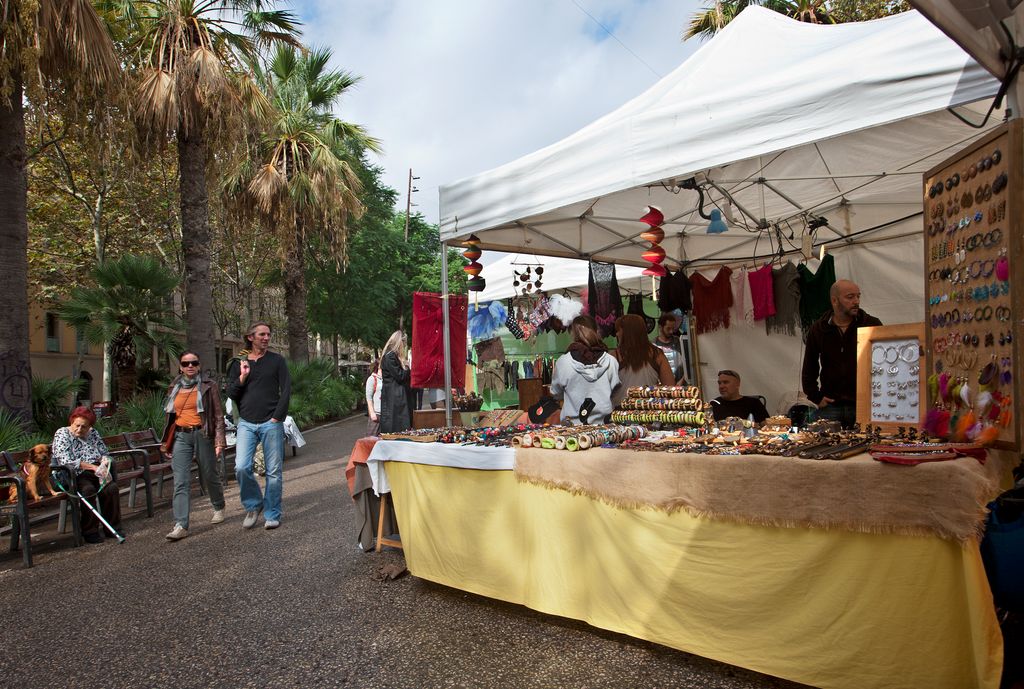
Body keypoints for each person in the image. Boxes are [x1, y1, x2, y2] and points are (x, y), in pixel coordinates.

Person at [226, 321, 291, 530]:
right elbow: (232, 394)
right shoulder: (239, 363)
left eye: (268, 335)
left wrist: (277, 417)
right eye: (262, 334)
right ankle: (253, 505)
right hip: (246, 422)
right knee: (241, 467)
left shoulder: (277, 360)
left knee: (273, 471)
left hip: (270, 423)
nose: (266, 338)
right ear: (251, 337)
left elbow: (286, 389)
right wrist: (243, 376)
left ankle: (272, 513)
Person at [160, 351, 227, 541]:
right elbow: (170, 417)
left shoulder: (208, 385)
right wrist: (167, 441)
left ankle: (218, 505)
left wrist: (219, 440)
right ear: (180, 366)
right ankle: (181, 524)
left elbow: (218, 415)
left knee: (209, 473)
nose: (190, 366)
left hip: (203, 433)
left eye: (194, 363)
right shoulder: (174, 387)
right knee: (181, 480)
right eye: (186, 363)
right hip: (181, 436)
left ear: (198, 366)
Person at [801, 279, 882, 428]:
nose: (856, 301)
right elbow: (809, 367)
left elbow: (883, 363)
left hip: (864, 405)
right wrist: (815, 396)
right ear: (834, 300)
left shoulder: (870, 324)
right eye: (850, 297)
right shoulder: (819, 329)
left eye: (858, 296)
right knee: (819, 444)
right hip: (831, 405)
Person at [50, 406, 122, 543]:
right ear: (72, 422)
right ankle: (90, 531)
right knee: (88, 490)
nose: (79, 430)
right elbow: (66, 460)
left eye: (84, 427)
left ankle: (113, 527)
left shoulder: (93, 433)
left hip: (95, 471)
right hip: (73, 474)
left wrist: (105, 460)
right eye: (77, 425)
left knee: (111, 489)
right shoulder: (62, 434)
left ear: (90, 426)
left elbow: (104, 452)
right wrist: (92, 467)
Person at [550, 315, 620, 425]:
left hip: (572, 430)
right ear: (596, 331)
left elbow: (556, 393)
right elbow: (615, 392)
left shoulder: (563, 362)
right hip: (604, 429)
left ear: (573, 334)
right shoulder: (611, 361)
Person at [610, 314, 674, 406]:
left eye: (618, 331)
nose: (616, 334)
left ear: (626, 332)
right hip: (649, 415)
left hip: (621, 416)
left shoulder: (614, 357)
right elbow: (670, 388)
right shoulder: (657, 354)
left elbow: (604, 391)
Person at [379, 331, 413, 433]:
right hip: (395, 398)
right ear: (400, 343)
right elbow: (400, 376)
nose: (405, 346)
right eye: (404, 343)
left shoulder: (391, 356)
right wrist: (407, 368)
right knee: (397, 426)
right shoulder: (390, 356)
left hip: (395, 397)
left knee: (398, 426)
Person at [652, 312, 688, 384]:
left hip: (680, 386)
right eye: (668, 328)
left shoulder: (679, 342)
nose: (671, 331)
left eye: (673, 328)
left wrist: (682, 380)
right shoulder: (653, 345)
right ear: (660, 327)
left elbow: (688, 363)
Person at [365, 359, 382, 436]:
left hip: (386, 414)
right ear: (378, 366)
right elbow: (369, 397)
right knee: (371, 439)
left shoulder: (387, 379)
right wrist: (372, 413)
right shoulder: (372, 379)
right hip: (376, 414)